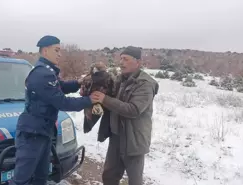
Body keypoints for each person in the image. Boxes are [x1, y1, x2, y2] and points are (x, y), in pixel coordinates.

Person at [10, 35, 95, 185]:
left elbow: (59, 86)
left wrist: (78, 83)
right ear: (45, 50)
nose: (60, 54)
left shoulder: (48, 72)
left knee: (41, 177)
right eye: (56, 50)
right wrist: (89, 100)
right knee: (21, 180)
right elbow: (61, 102)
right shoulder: (41, 74)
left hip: (42, 132)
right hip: (32, 134)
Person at [91, 46, 159, 185]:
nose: (121, 62)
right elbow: (109, 98)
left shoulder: (145, 84)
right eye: (120, 59)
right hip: (116, 137)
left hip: (133, 140)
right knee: (109, 177)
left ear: (138, 62)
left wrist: (105, 99)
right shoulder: (119, 80)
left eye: (126, 59)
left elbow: (133, 110)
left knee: (134, 181)